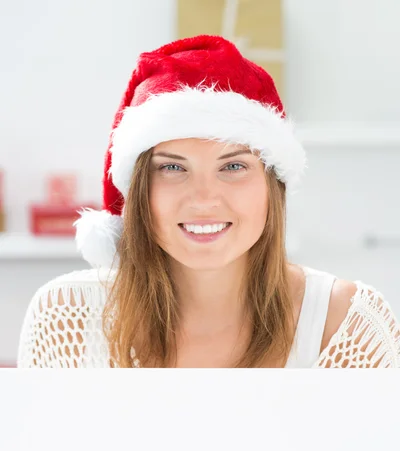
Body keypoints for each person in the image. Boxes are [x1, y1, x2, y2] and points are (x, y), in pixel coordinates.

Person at [17, 35, 400, 368]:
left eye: (233, 165)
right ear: (137, 193)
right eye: (171, 168)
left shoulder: (348, 323)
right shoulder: (64, 318)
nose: (203, 198)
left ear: (273, 186)